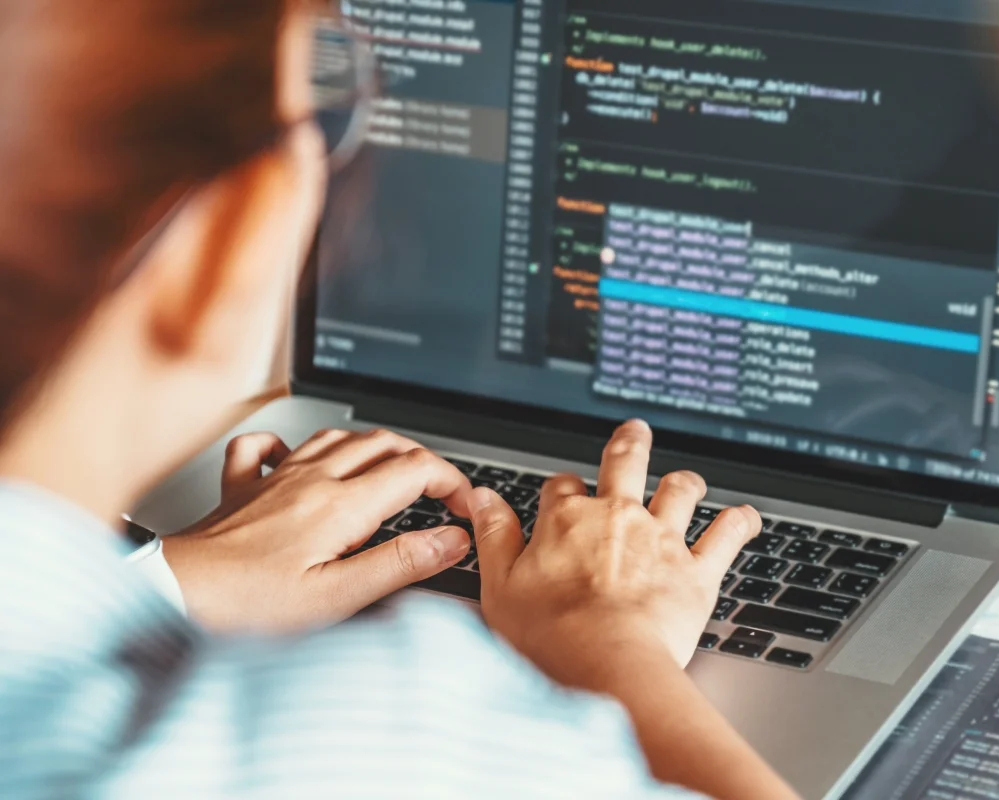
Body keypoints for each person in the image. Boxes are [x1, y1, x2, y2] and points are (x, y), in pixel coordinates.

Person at [0, 1, 798, 798]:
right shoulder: (382, 729)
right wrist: (611, 645)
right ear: (221, 251)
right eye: (329, 119)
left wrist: (175, 584)